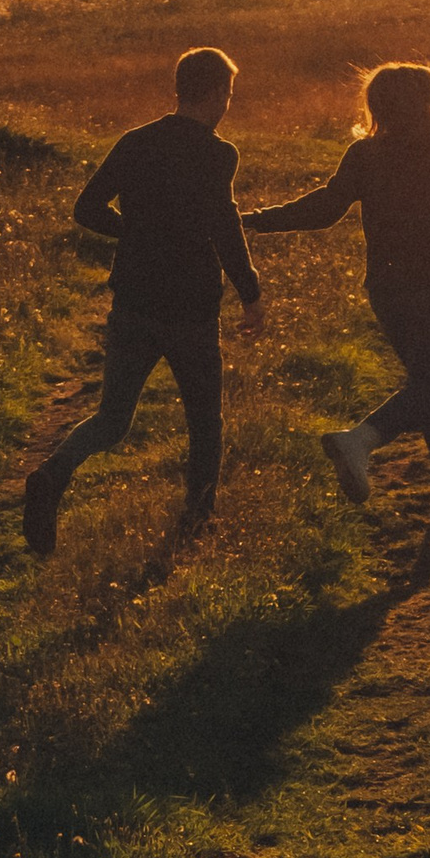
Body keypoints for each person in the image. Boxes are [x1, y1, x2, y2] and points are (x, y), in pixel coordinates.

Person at [22, 46, 264, 556]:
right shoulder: (219, 153)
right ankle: (198, 523)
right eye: (228, 94)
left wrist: (134, 234)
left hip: (133, 301)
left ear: (179, 88)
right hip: (192, 308)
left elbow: (86, 208)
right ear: (219, 94)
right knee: (204, 420)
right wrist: (250, 293)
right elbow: (225, 227)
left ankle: (52, 474)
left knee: (112, 419)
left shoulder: (135, 142)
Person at [245, 62, 430, 509]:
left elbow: (325, 209)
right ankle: (360, 442)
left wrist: (258, 221)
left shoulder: (364, 156)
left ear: (379, 108)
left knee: (423, 385)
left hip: (386, 291)